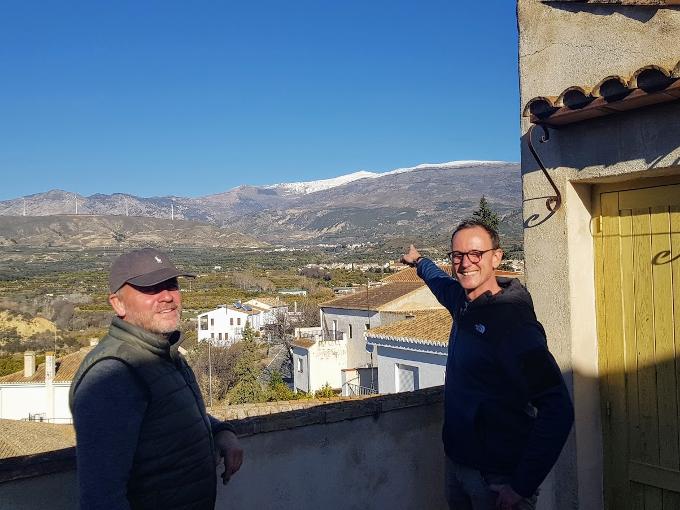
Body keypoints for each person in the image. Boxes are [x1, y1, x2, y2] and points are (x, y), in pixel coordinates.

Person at [401, 220, 573, 510]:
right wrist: (418, 261)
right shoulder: (463, 302)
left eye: (475, 254)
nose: (465, 263)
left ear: (496, 257)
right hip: (459, 465)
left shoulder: (514, 324)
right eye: (457, 256)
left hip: (497, 479)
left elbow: (558, 408)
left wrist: (521, 485)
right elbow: (439, 281)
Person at [70, 248, 243, 510]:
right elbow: (102, 497)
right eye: (150, 288)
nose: (167, 297)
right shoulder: (113, 374)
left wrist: (220, 431)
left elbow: (166, 414)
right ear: (118, 303)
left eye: (171, 285)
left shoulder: (162, 352)